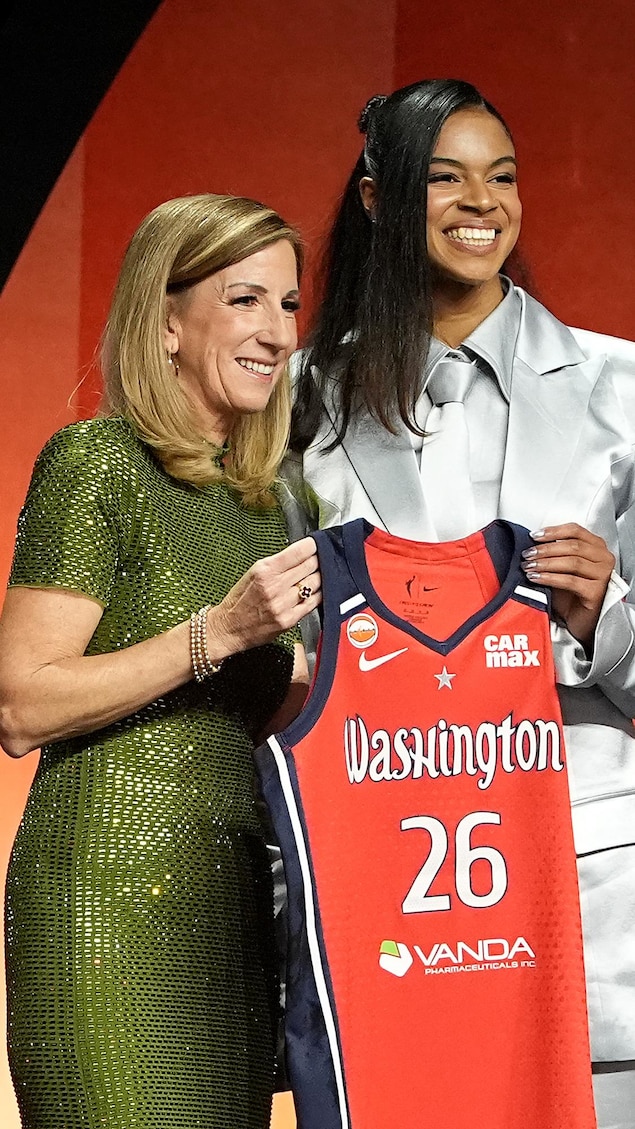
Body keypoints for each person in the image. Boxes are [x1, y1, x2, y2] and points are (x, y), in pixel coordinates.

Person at [287, 79, 635, 1127]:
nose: (479, 201)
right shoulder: (299, 403)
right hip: (386, 886)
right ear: (377, 201)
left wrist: (604, 616)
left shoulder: (619, 390)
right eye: (442, 177)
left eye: (501, 176)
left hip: (584, 885)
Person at [0, 193, 320, 1129]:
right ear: (168, 321)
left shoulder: (279, 501)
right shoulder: (99, 462)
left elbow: (256, 720)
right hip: (103, 917)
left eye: (290, 304)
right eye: (245, 299)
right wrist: (215, 632)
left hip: (228, 925)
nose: (275, 331)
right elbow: (21, 703)